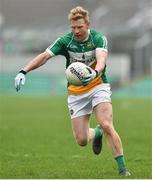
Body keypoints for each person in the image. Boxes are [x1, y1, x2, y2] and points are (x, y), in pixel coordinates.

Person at [14, 6, 130, 176]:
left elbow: (101, 59)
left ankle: (123, 170)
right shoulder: (65, 41)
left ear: (87, 25)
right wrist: (24, 70)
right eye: (73, 27)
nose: (76, 31)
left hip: (98, 85)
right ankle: (96, 132)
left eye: (79, 27)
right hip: (76, 93)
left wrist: (95, 73)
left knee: (106, 123)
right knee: (82, 140)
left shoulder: (98, 38)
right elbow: (45, 56)